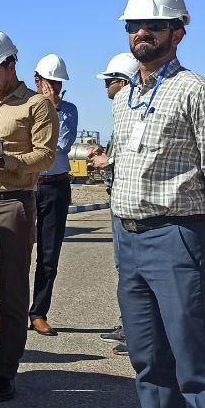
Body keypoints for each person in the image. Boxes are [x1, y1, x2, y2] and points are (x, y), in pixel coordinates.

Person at [110, 0, 205, 408]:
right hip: (127, 239)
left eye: (154, 24)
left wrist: (202, 228)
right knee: (147, 358)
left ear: (178, 32)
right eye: (134, 25)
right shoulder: (124, 99)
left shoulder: (197, 92)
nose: (142, 32)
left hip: (178, 236)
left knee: (196, 360)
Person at [0, 29, 57, 402]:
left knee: (12, 293)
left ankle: (4, 372)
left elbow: (45, 157)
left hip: (14, 204)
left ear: (11, 64)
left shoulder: (37, 105)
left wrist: (4, 161)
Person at [88, 52, 140, 351]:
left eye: (109, 80)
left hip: (130, 205)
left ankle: (138, 333)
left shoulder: (134, 114)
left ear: (123, 82)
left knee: (133, 269)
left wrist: (107, 161)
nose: (106, 86)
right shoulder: (124, 113)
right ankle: (130, 326)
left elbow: (136, 158)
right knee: (127, 268)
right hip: (119, 200)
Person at [28, 54, 79, 337]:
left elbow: (60, 144)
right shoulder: (25, 106)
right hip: (27, 185)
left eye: (58, 83)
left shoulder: (68, 110)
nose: (55, 88)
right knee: (15, 253)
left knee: (48, 254)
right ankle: (9, 310)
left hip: (55, 186)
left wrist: (52, 108)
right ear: (38, 81)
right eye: (50, 82)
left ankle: (38, 312)